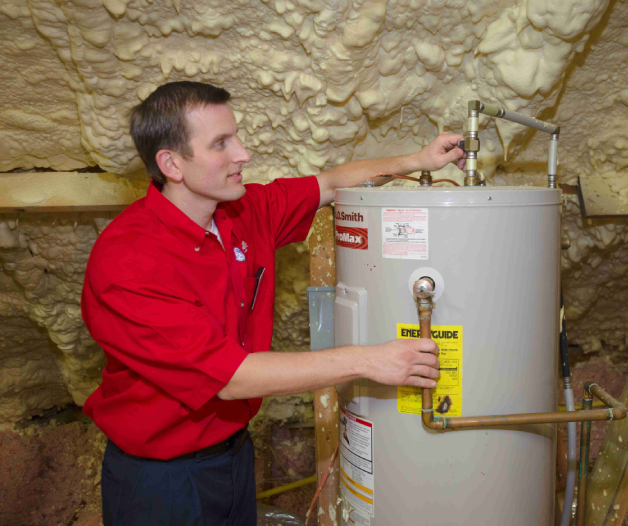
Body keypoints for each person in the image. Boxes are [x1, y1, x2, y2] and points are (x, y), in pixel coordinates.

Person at [80, 81, 466, 526]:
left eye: (236, 136)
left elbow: (328, 184)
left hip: (235, 456)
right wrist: (369, 360)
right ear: (171, 164)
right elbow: (232, 378)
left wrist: (415, 160)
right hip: (162, 481)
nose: (242, 154)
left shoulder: (242, 212)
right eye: (221, 143)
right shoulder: (129, 262)